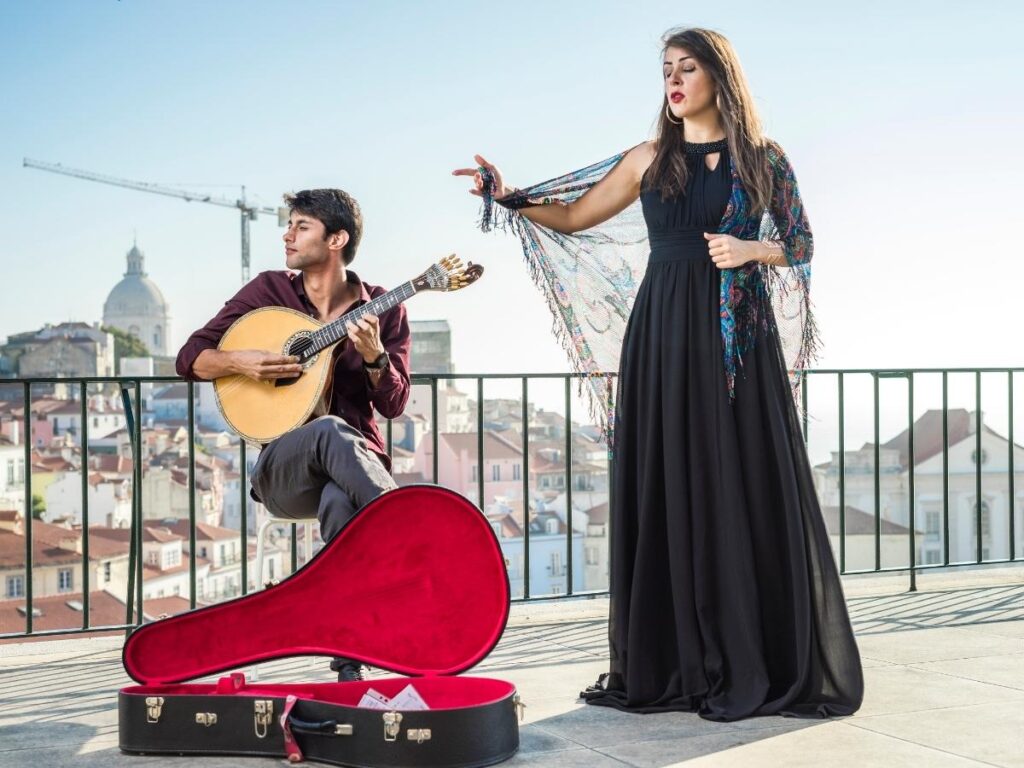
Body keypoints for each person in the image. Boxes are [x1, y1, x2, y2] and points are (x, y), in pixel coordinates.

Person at [453, 26, 864, 721]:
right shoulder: (650, 157)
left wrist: (747, 250)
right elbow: (578, 216)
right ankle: (677, 659)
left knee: (744, 484)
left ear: (719, 78)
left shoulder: (763, 158)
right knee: (672, 485)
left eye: (687, 68)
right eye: (666, 71)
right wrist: (507, 196)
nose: (673, 82)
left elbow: (799, 243)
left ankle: (756, 655)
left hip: (739, 345)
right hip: (663, 335)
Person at [176, 188, 411, 682]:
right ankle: (413, 544)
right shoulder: (268, 293)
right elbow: (190, 356)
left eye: (301, 225)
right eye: (290, 224)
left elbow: (393, 404)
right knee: (328, 430)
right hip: (282, 471)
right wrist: (242, 360)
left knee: (341, 504)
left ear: (336, 239)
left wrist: (374, 358)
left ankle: (350, 662)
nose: (287, 234)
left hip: (352, 470)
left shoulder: (384, 309)